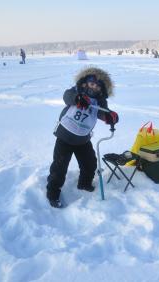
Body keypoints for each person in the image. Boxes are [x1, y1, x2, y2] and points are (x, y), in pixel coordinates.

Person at [46, 67, 119, 208]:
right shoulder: (76, 91)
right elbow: (67, 97)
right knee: (59, 167)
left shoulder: (100, 101)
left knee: (90, 163)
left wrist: (110, 117)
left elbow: (103, 113)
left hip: (83, 139)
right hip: (65, 136)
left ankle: (84, 183)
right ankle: (52, 193)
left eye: (98, 86)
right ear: (85, 83)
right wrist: (77, 98)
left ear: (102, 89)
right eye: (92, 84)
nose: (94, 87)